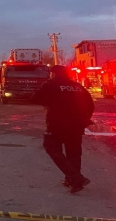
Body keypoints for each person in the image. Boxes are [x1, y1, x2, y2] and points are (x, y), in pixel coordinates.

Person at [31, 65, 95, 193]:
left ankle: (76, 178)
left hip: (57, 124)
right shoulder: (77, 86)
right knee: (74, 153)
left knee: (52, 148)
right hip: (76, 126)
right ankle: (72, 180)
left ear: (53, 74)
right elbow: (90, 105)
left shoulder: (51, 85)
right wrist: (83, 120)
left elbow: (35, 98)